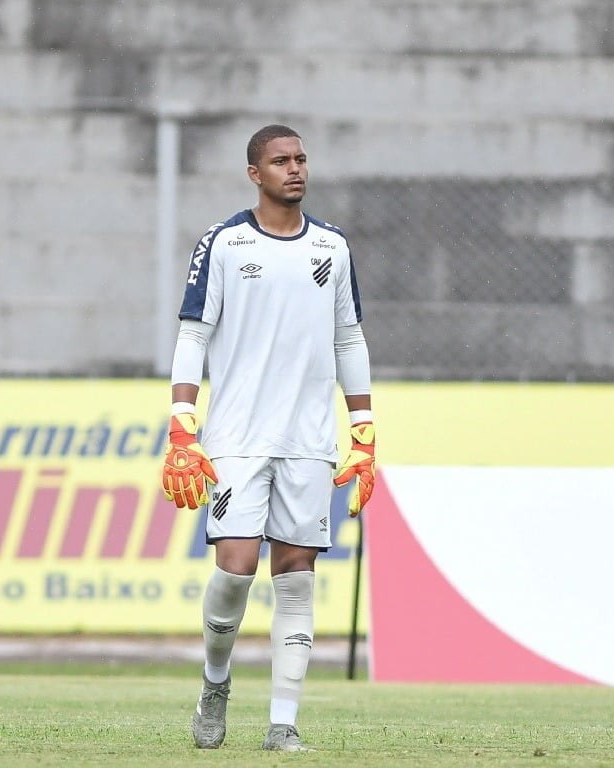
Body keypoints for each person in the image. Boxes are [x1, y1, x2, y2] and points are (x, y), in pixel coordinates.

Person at [161, 124, 377, 753]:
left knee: (297, 576)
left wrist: (363, 427)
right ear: (255, 173)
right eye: (281, 161)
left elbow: (349, 339)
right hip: (235, 439)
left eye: (301, 159)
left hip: (309, 440)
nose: (295, 169)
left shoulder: (332, 248)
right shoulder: (224, 244)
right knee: (234, 570)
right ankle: (215, 681)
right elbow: (193, 334)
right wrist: (182, 420)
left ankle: (283, 722)